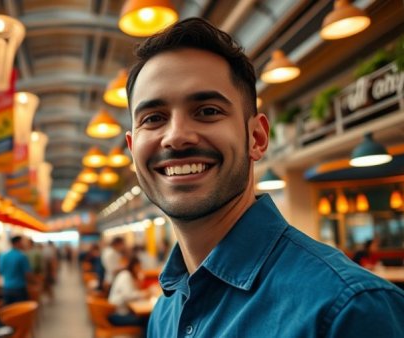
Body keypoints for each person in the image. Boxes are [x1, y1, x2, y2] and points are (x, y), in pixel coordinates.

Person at [125, 17, 404, 337]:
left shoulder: (349, 310)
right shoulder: (166, 311)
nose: (176, 137)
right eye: (154, 118)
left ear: (256, 138)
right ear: (133, 150)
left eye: (207, 111)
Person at [108, 256, 151, 335]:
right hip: (118, 315)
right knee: (147, 319)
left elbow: (133, 292)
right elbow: (128, 295)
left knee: (146, 318)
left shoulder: (128, 275)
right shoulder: (125, 275)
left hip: (121, 312)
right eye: (139, 267)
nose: (140, 269)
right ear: (134, 266)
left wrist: (139, 280)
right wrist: (144, 294)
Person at [0, 236, 32, 304]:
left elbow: (0, 272)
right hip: (19, 288)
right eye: (22, 242)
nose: (23, 244)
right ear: (17, 243)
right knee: (21, 311)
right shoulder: (21, 256)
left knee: (10, 311)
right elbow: (28, 274)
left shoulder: (3, 256)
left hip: (6, 288)